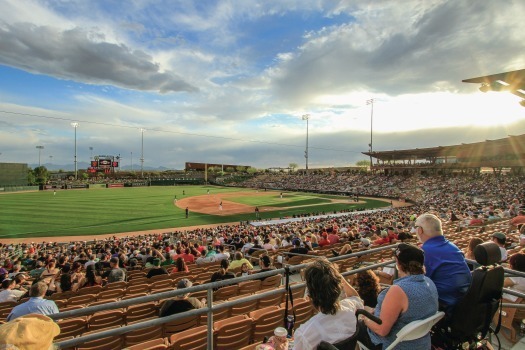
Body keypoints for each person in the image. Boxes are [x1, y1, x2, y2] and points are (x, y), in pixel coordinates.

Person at [359, 244, 439, 350]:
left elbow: (382, 330)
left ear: (398, 264)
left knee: (354, 327)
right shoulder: (429, 282)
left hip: (394, 345)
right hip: (421, 343)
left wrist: (364, 320)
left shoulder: (398, 290)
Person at [292, 258, 364, 350]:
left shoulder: (304, 334)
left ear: (310, 297)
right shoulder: (350, 307)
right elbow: (355, 297)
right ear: (338, 287)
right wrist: (339, 278)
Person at [414, 213, 471, 311]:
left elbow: (416, 284)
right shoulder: (452, 246)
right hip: (464, 301)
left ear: (420, 230)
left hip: (445, 305)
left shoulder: (425, 251)